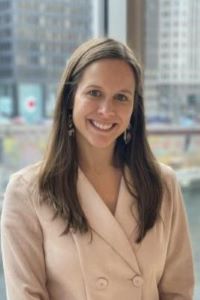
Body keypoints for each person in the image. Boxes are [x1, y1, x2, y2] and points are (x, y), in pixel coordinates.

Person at [1, 38, 194, 300]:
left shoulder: (163, 184)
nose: (107, 110)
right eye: (94, 93)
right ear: (70, 99)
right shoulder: (27, 192)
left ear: (133, 109)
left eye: (121, 97)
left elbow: (178, 291)